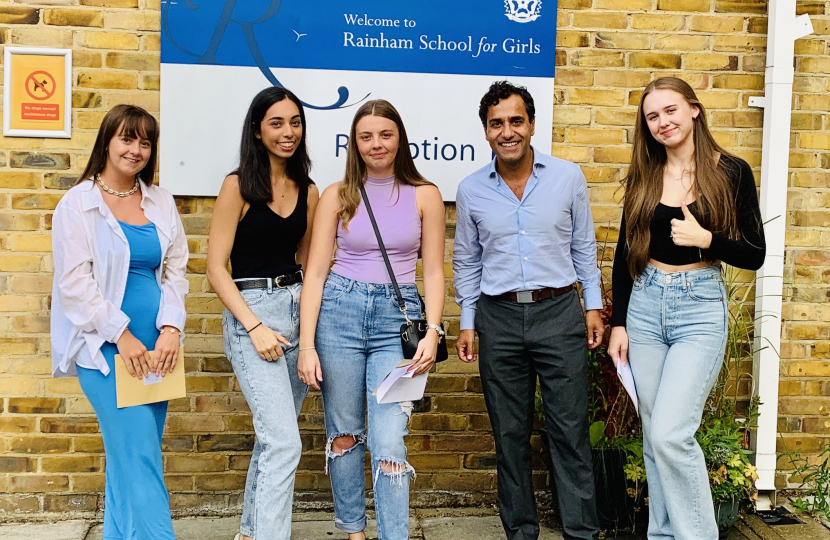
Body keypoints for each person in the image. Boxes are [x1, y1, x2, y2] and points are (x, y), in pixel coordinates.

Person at [608, 77, 766, 540]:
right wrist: (619, 321)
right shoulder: (645, 173)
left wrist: (707, 240)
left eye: (671, 110)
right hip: (645, 304)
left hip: (699, 306)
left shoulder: (731, 171)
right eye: (652, 116)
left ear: (694, 110)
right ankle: (662, 535)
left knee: (670, 434)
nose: (663, 122)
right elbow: (623, 250)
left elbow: (755, 253)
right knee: (654, 438)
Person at [453, 81, 602, 540]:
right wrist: (468, 322)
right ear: (485, 131)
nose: (507, 131)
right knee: (510, 437)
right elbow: (466, 259)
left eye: (516, 121)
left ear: (532, 125)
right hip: (498, 319)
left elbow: (583, 246)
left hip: (558, 312)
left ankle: (581, 532)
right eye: (497, 123)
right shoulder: (471, 189)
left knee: (570, 432)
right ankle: (520, 532)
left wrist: (592, 306)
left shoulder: (567, 177)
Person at [297, 99, 445, 540]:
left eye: (385, 134)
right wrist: (307, 344)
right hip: (338, 315)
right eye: (366, 136)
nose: (376, 144)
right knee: (344, 434)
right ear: (354, 143)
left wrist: (433, 330)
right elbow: (317, 272)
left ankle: (393, 534)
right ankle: (353, 531)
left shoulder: (425, 194)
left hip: (395, 324)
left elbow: (434, 270)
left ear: (399, 138)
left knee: (388, 442)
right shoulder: (337, 194)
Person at [50, 104, 189, 540]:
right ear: (107, 141)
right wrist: (122, 336)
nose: (136, 150)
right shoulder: (78, 204)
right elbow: (75, 284)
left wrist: (171, 330)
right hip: (108, 351)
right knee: (140, 456)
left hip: (159, 351)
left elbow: (176, 270)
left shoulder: (159, 201)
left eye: (145, 142)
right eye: (127, 139)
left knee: (129, 460)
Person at [206, 87, 319, 540]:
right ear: (257, 130)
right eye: (276, 123)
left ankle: (251, 533)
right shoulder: (238, 186)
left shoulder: (308, 191)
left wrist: (310, 335)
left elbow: (310, 269)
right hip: (252, 311)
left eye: (294, 122)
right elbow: (216, 269)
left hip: (296, 314)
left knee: (275, 440)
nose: (287, 132)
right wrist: (253, 327)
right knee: (285, 443)